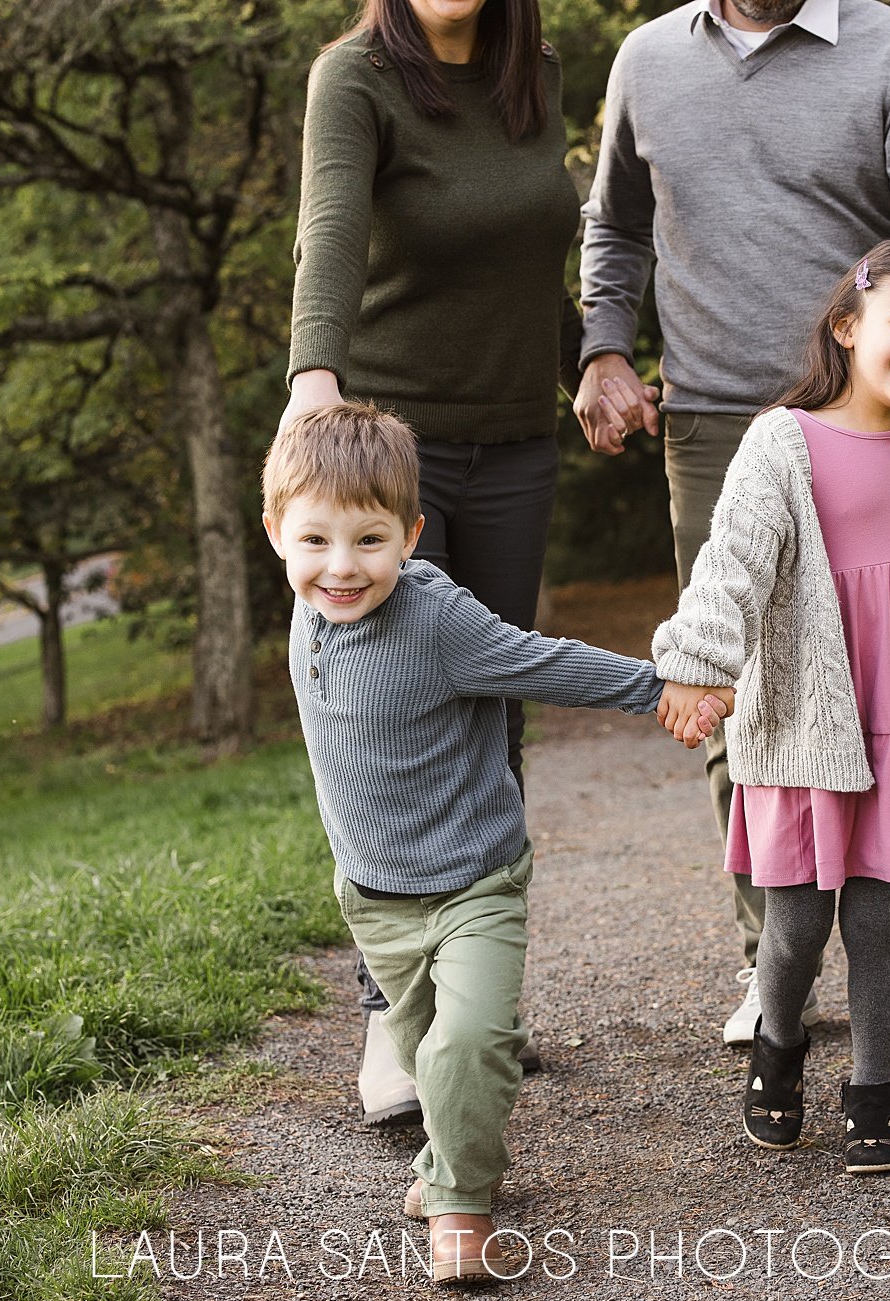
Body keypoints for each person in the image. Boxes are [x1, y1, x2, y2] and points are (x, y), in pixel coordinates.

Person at [574, 0, 890, 1044]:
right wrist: (600, 345)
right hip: (717, 419)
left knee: (874, 682)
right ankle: (766, 952)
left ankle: (887, 942)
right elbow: (617, 225)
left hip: (874, 417)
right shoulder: (645, 59)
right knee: (738, 685)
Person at [264, 403, 728, 1281]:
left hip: (475, 880)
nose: (339, 569)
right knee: (420, 1045)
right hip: (372, 896)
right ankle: (448, 1149)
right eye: (314, 542)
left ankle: (461, 1210)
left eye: (368, 542)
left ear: (411, 535)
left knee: (469, 1040)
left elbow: (546, 663)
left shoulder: (440, 622)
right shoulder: (313, 609)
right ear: (276, 532)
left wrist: (664, 687)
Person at [283, 0, 586, 1124]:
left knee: (492, 711)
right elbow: (329, 232)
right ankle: (389, 1019)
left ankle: (474, 994)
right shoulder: (353, 78)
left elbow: (522, 260)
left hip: (513, 442)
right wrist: (315, 379)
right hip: (387, 456)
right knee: (392, 709)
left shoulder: (533, 74)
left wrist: (586, 364)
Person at [652, 243, 890, 1173]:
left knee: (884, 921)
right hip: (808, 722)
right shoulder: (782, 442)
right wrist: (694, 666)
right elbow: (730, 566)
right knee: (797, 923)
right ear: (848, 328)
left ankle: (875, 1089)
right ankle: (779, 1047)